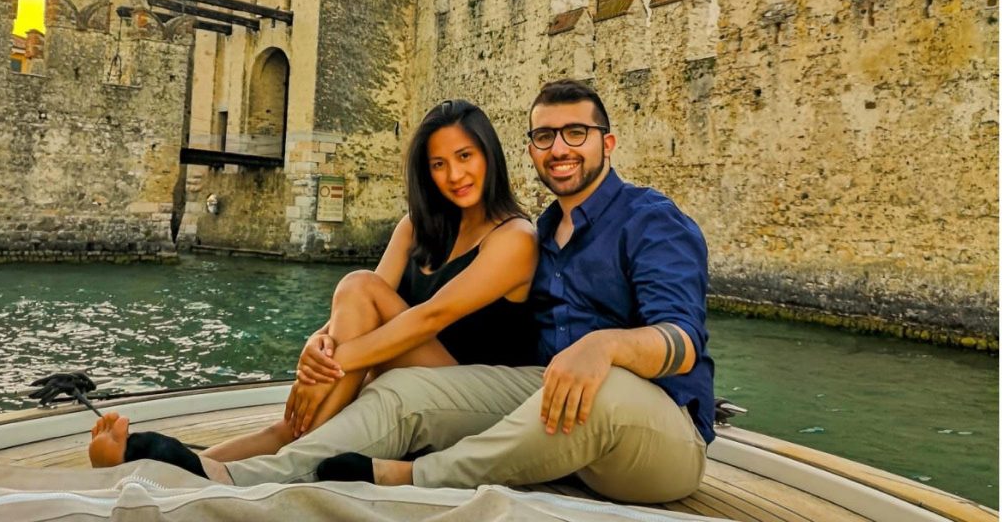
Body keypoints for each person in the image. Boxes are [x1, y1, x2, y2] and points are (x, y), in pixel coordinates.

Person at [89, 79, 714, 504]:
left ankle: (411, 474)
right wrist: (330, 341)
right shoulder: (549, 229)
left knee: (592, 383)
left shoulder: (649, 220)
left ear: (607, 142)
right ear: (527, 149)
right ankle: (228, 473)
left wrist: (604, 346)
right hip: (547, 403)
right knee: (404, 390)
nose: (559, 148)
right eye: (545, 136)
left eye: (575, 133)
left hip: (656, 438)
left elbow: (682, 341)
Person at [87, 99, 539, 475]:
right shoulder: (416, 227)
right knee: (310, 393)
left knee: (355, 294)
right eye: (438, 164)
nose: (454, 175)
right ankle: (186, 468)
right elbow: (358, 305)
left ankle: (205, 464)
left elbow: (431, 316)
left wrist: (335, 360)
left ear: (489, 156)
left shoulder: (514, 238)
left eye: (465, 157)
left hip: (463, 393)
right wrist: (318, 344)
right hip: (404, 369)